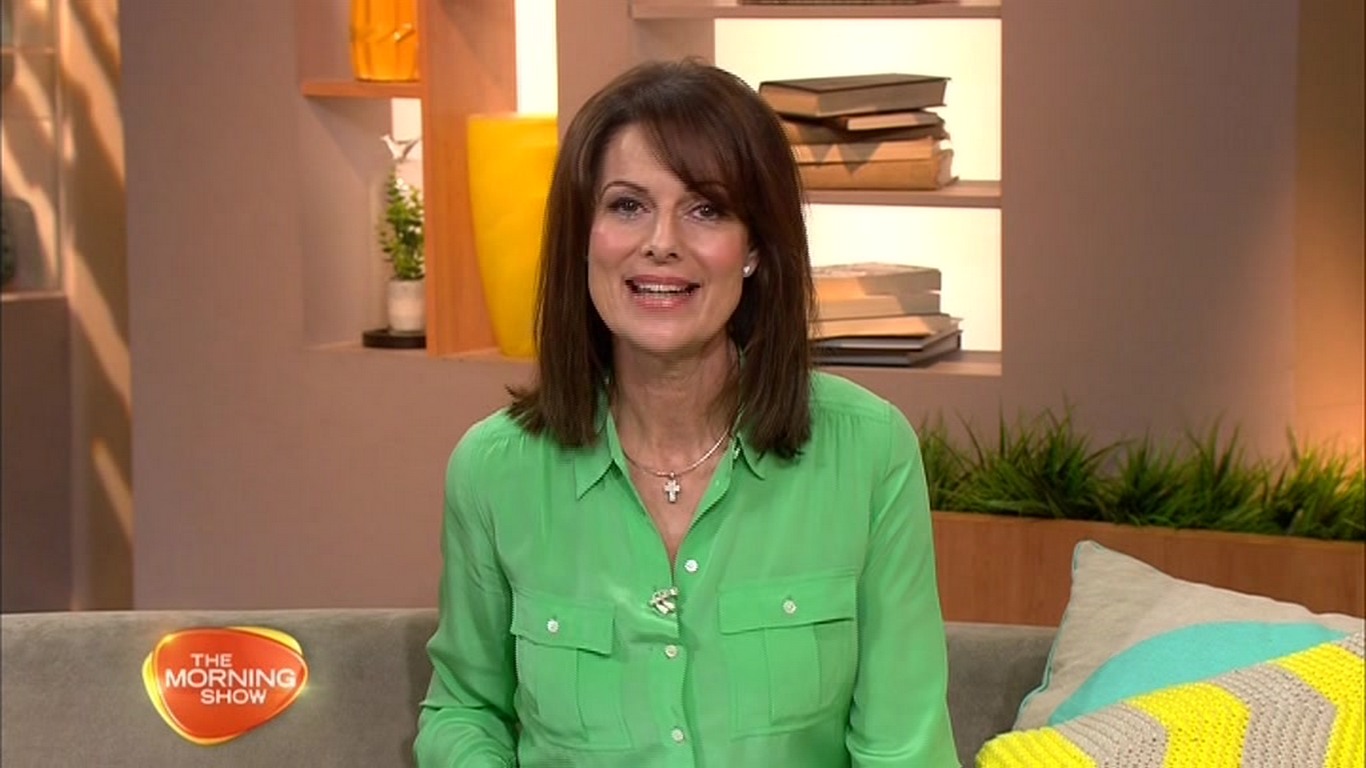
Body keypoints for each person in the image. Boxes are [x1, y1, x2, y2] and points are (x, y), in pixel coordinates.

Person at [415, 59, 958, 767]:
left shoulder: (869, 453)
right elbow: (465, 709)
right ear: (583, 235)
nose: (662, 241)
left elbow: (905, 748)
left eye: (706, 208)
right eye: (627, 206)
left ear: (755, 246)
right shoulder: (494, 471)